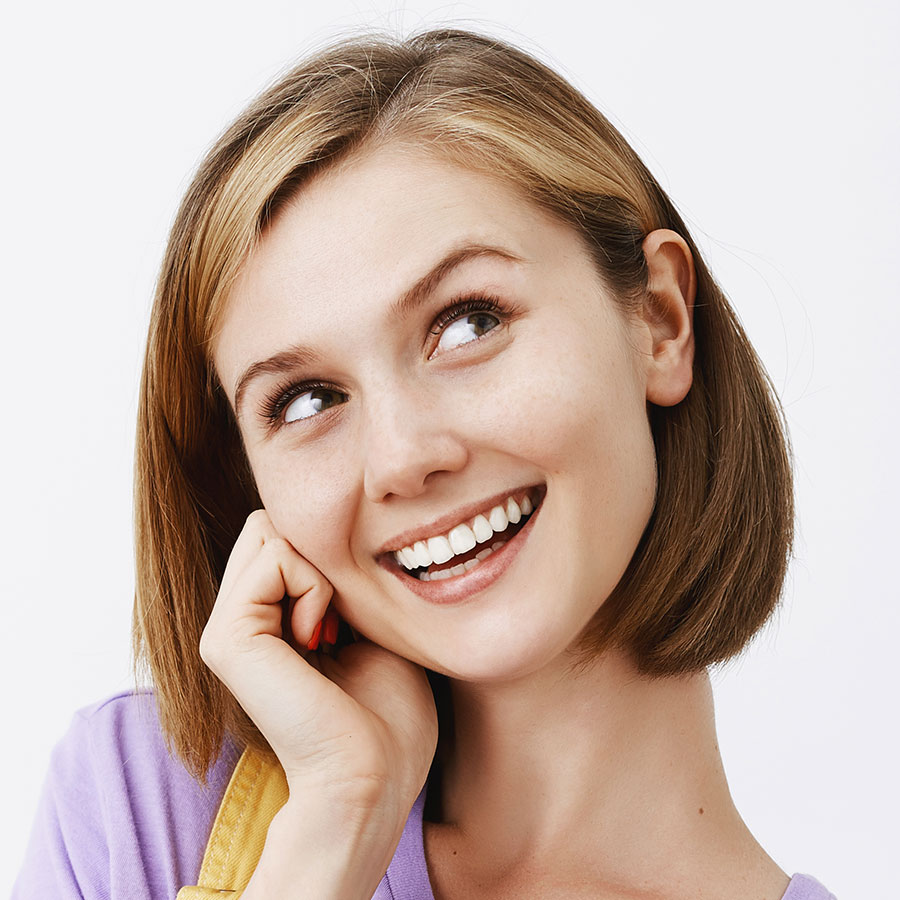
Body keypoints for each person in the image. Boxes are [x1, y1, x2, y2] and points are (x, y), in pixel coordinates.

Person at [13, 28, 836, 900]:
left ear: (661, 322)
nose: (402, 458)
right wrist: (333, 830)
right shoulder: (137, 810)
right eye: (307, 400)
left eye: (469, 323)